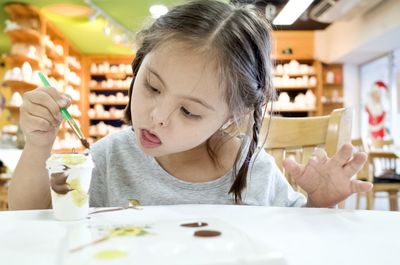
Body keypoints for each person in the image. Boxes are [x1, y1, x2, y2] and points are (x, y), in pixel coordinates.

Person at [8, 0, 372, 210]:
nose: (157, 117)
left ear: (235, 114)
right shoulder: (110, 158)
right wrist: (38, 145)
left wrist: (318, 205)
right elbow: (31, 221)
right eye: (151, 86)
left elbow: (296, 239)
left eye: (190, 111)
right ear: (139, 62)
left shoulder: (255, 171)